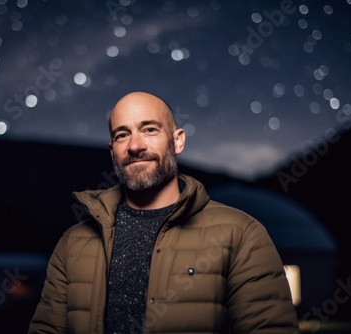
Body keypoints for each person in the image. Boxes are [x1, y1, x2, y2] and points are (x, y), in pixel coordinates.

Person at [28, 91, 300, 333]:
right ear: (113, 151)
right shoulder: (73, 243)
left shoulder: (241, 234)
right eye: (122, 135)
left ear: (178, 141)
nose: (135, 146)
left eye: (149, 130)